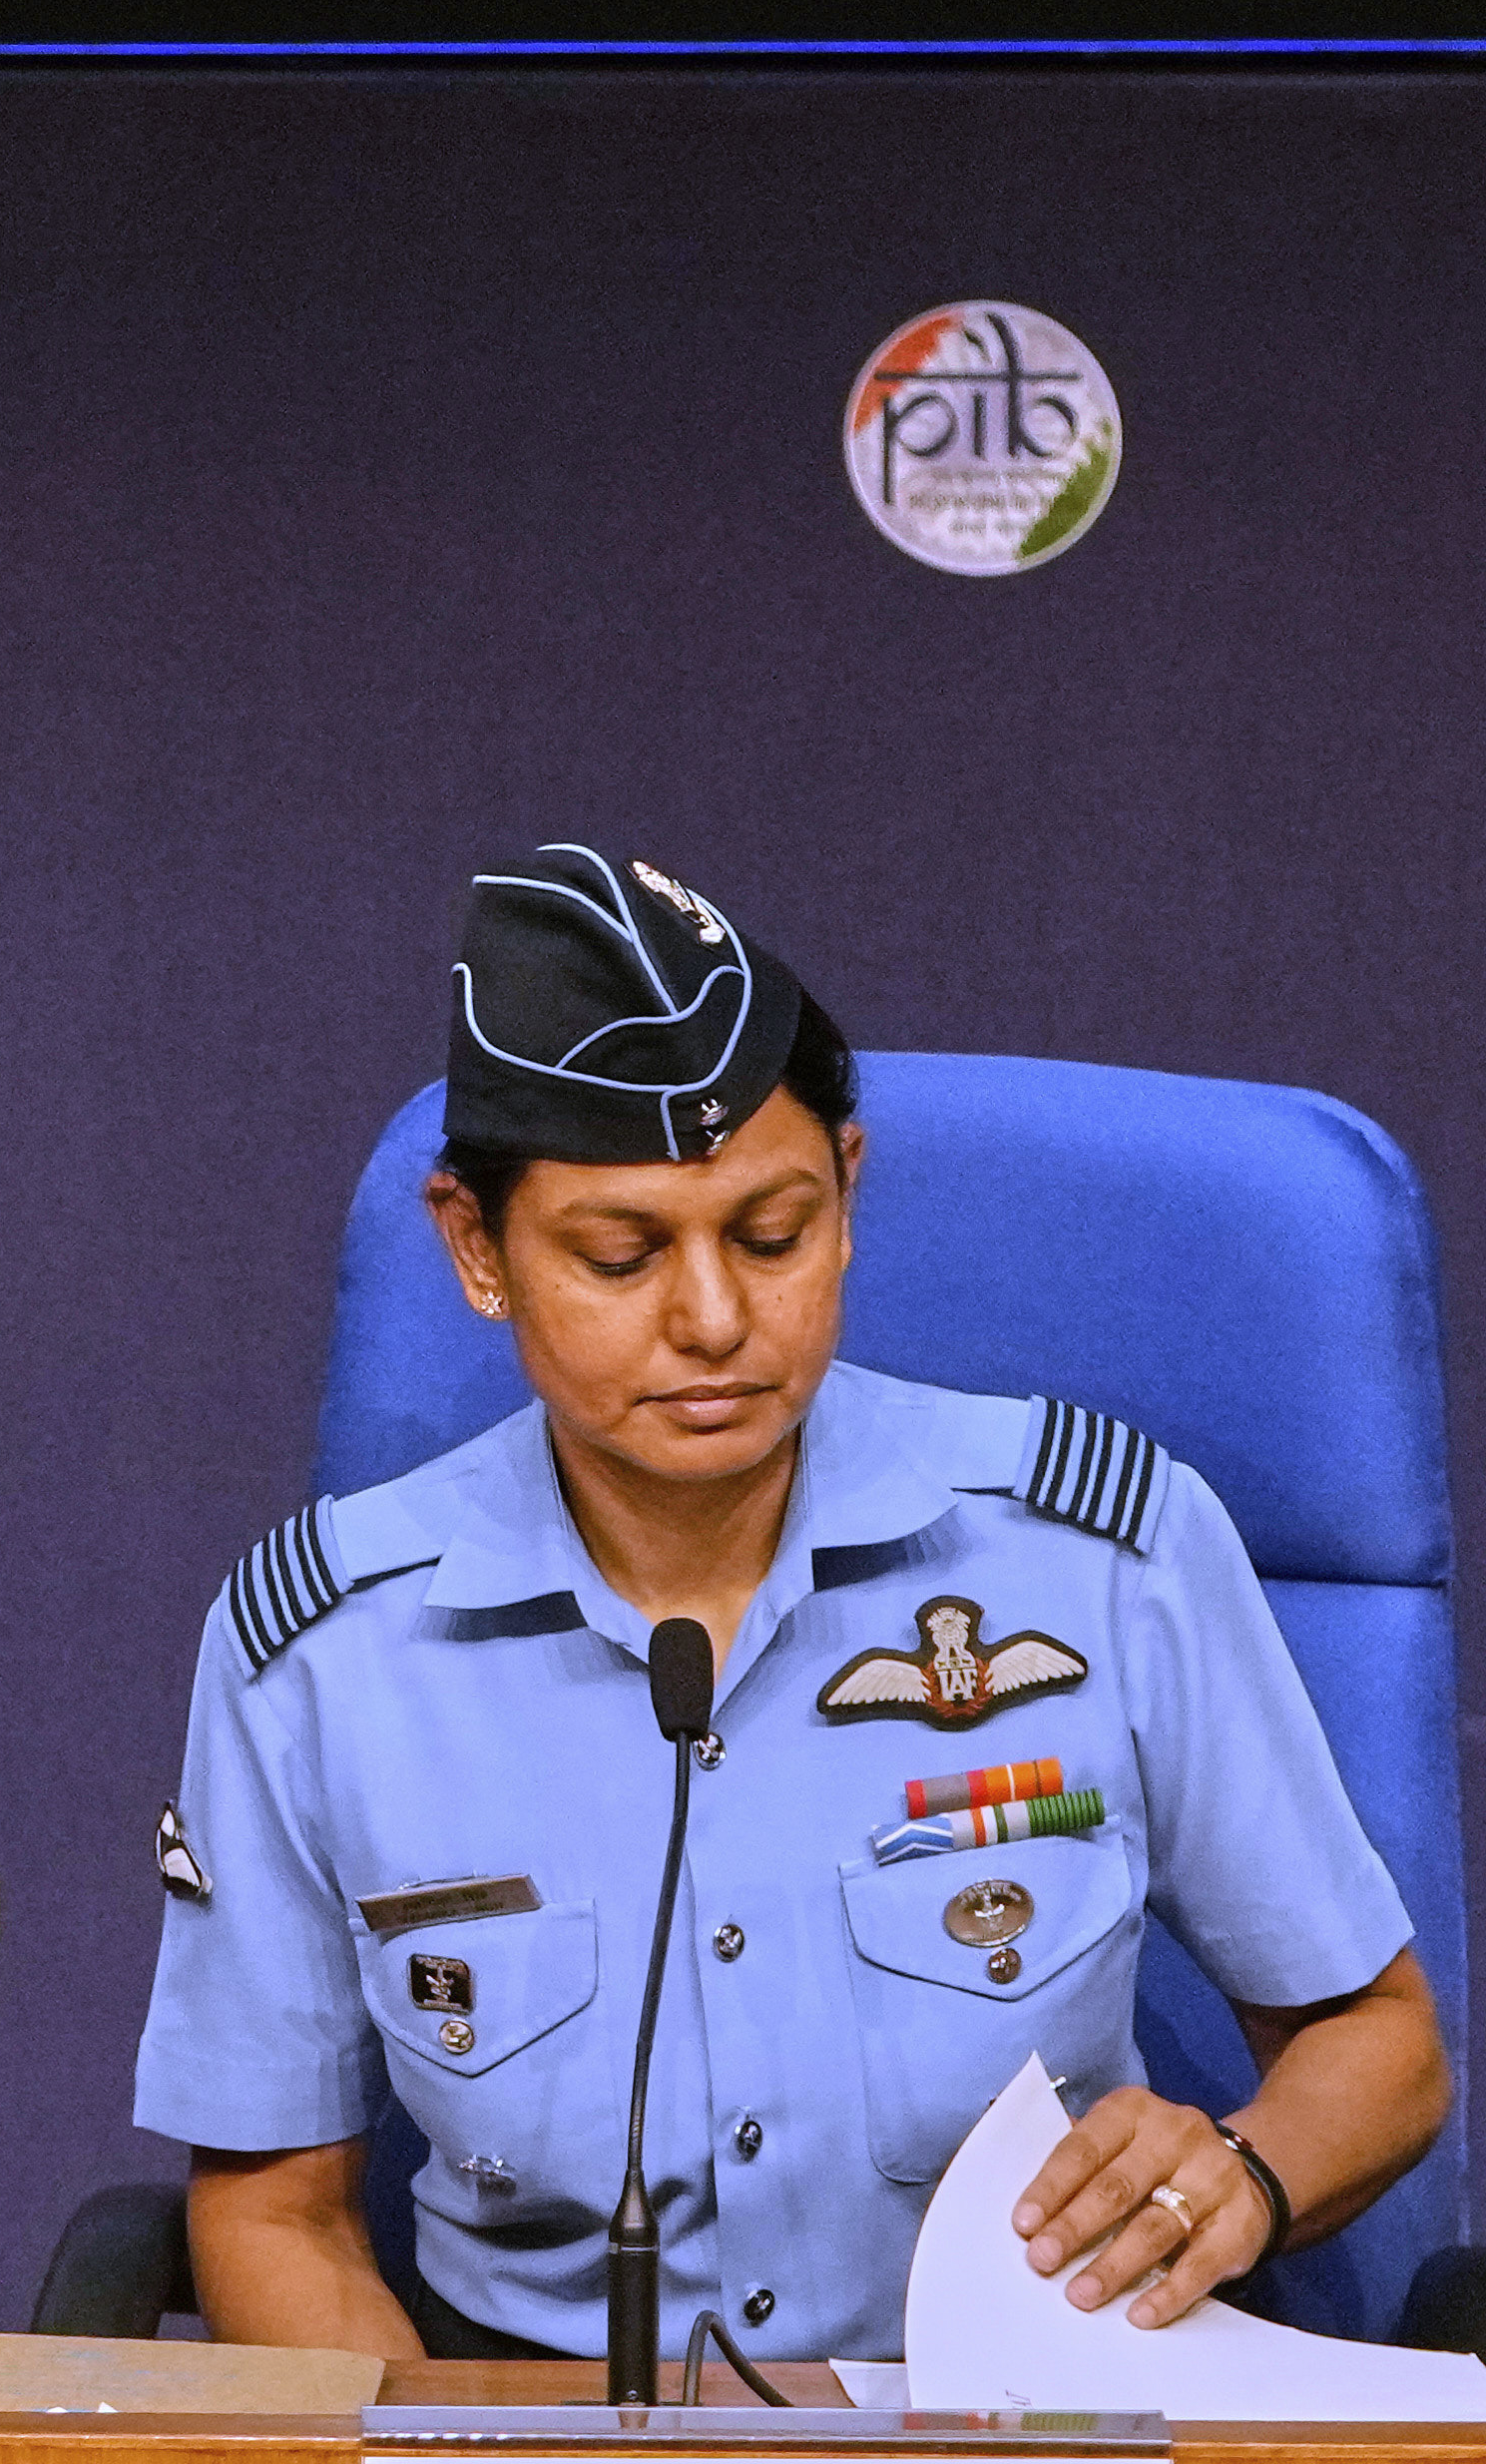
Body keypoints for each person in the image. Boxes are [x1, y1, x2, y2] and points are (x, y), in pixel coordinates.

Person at [142, 842, 1445, 2372]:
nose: (712, 1318)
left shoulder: (1106, 1552)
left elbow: (1383, 2043)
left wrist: (1244, 2170)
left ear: (850, 1195)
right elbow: (274, 2212)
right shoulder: (318, 1653)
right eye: (621, 1254)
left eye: (773, 1234)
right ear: (478, 1249)